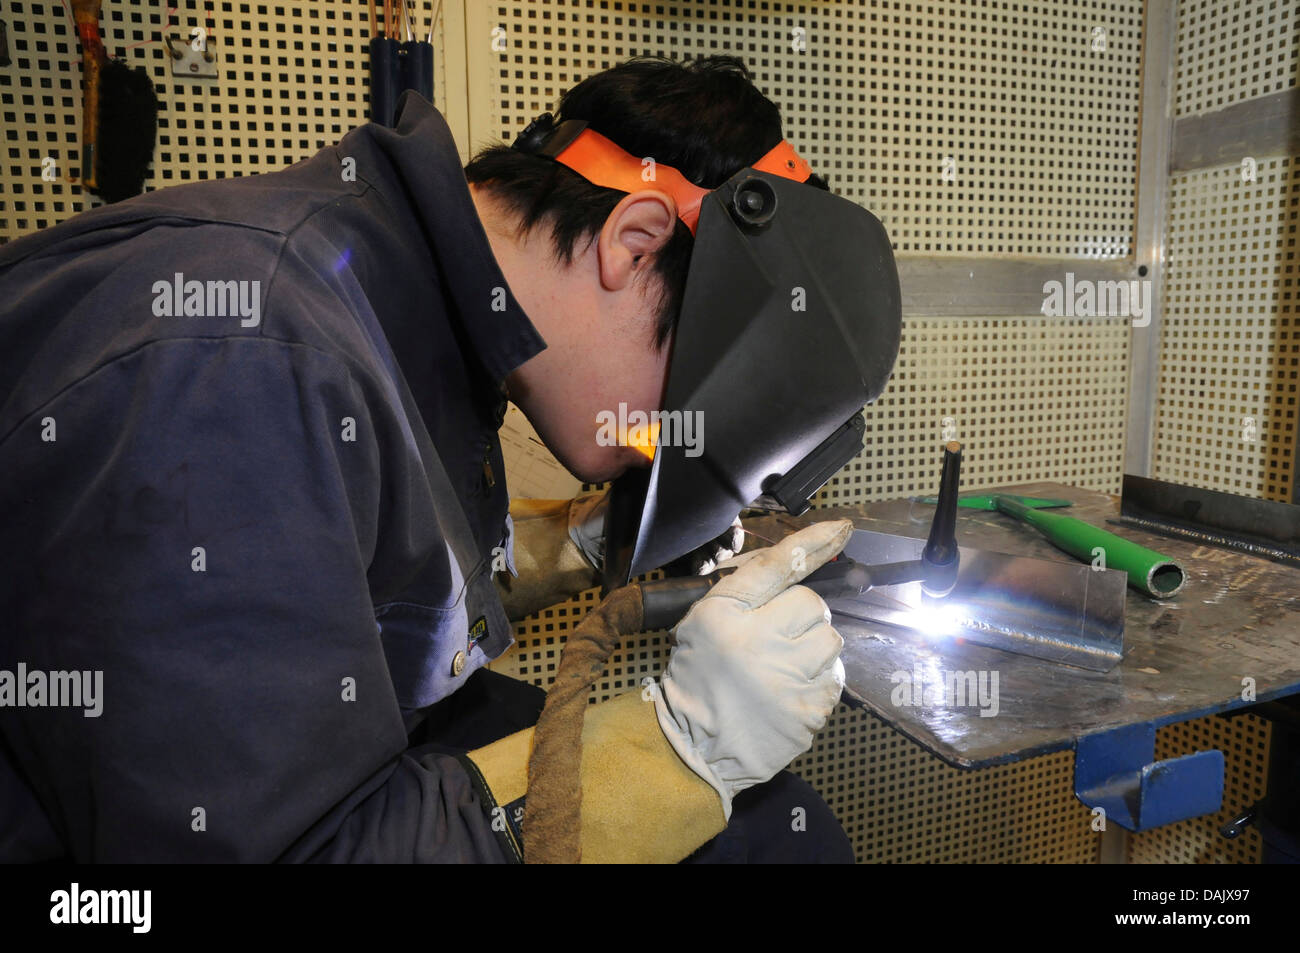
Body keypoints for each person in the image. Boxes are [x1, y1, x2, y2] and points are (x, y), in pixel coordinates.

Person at [0, 55, 897, 862]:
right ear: (636, 242)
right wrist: (675, 747)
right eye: (686, 398)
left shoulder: (406, 315)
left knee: (773, 834)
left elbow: (341, 582)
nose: (654, 445)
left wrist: (568, 550)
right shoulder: (245, 358)